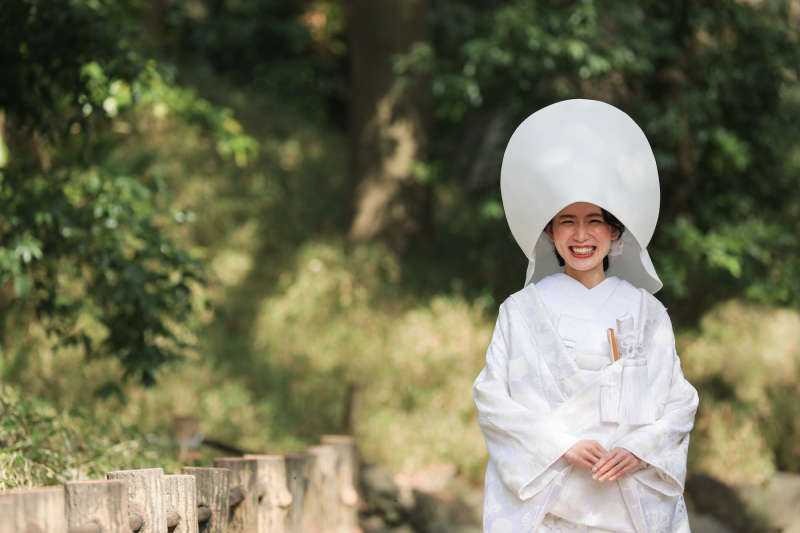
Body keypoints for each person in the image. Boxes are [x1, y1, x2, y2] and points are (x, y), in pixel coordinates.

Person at [474, 100, 698, 533]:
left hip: (626, 499)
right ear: (550, 233)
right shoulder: (520, 312)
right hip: (548, 509)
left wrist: (640, 449)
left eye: (594, 221)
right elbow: (491, 398)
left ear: (614, 231)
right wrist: (561, 445)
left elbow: (679, 400)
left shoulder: (647, 313)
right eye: (566, 222)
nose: (581, 236)